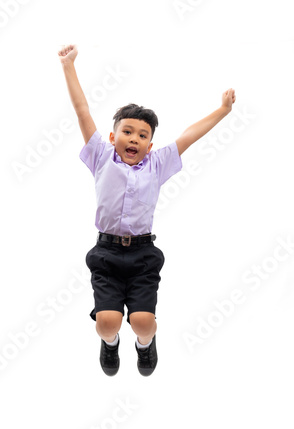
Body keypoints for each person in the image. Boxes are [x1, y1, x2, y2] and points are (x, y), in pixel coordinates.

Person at [58, 44, 236, 377]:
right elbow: (82, 111)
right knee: (107, 322)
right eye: (127, 132)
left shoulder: (157, 164)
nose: (134, 139)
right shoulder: (101, 156)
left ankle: (144, 345)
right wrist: (69, 66)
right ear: (113, 137)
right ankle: (110, 345)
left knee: (142, 322)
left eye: (142, 135)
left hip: (142, 256)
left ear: (150, 145)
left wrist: (222, 110)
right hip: (107, 254)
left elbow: (188, 136)